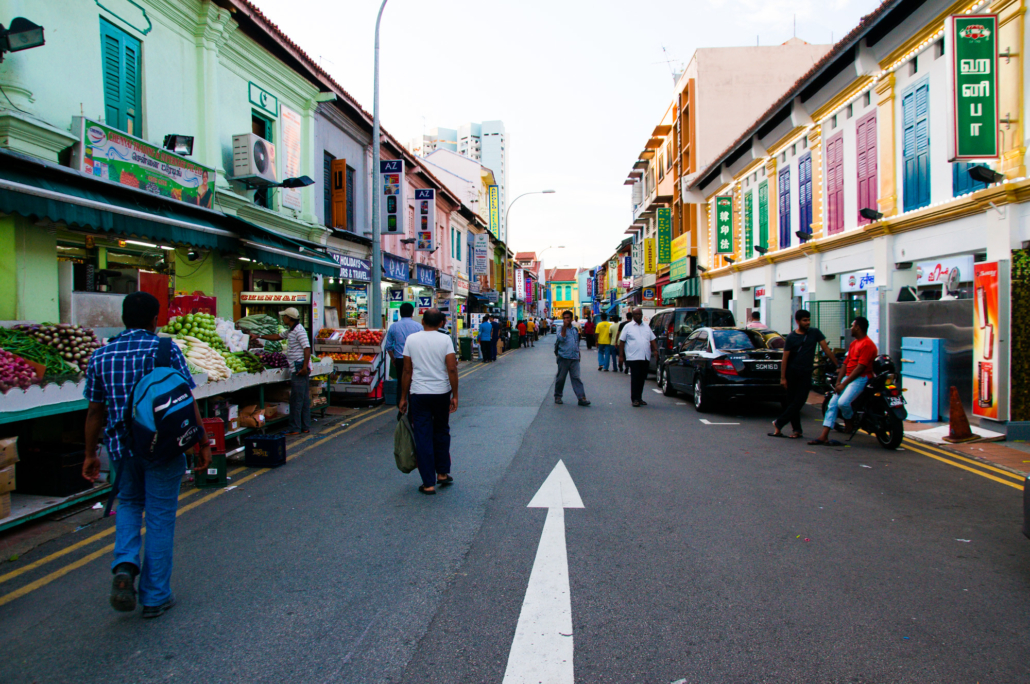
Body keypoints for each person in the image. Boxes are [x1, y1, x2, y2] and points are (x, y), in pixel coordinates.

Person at [82, 291, 212, 619]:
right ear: (156, 320)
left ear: (123, 319)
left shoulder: (102, 355)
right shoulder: (165, 350)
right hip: (164, 449)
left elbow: (94, 412)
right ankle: (155, 596)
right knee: (159, 516)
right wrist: (202, 441)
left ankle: (125, 564)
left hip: (121, 449)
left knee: (128, 505)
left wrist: (90, 454)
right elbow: (185, 400)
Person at [398, 309, 459, 495]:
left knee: (423, 435)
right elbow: (452, 369)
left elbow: (407, 371)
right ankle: (442, 472)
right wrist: (455, 395)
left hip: (419, 394)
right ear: (441, 323)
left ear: (422, 321)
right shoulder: (445, 340)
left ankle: (428, 483)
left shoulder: (412, 340)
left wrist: (403, 397)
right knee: (441, 431)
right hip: (441, 393)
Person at [769, 309, 839, 439]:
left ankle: (779, 423)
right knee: (792, 402)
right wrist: (783, 377)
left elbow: (826, 349)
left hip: (806, 373)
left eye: (808, 320)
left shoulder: (814, 333)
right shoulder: (791, 337)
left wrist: (837, 365)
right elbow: (785, 358)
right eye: (804, 320)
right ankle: (796, 430)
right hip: (792, 373)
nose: (807, 322)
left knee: (799, 401)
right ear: (797, 321)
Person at [809, 317, 877, 446]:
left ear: (858, 327)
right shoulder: (853, 344)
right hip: (849, 378)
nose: (850, 328)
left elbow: (860, 368)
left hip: (861, 378)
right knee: (832, 405)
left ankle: (849, 420)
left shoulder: (867, 344)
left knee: (843, 402)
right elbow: (845, 364)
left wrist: (843, 384)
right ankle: (824, 435)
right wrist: (839, 381)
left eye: (852, 325)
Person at [251, 307, 312, 436]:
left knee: (297, 399)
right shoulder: (291, 330)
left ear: (289, 318)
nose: (283, 318)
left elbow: (307, 348)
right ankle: (305, 426)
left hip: (299, 367)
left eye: (284, 316)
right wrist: (259, 336)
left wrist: (304, 367)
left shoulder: (299, 331)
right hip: (299, 366)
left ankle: (295, 428)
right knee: (303, 398)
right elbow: (277, 336)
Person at [619, 307, 658, 407]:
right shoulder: (628, 327)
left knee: (642, 378)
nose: (638, 316)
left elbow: (652, 339)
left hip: (645, 356)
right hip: (633, 357)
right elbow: (622, 341)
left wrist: (655, 350)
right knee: (635, 378)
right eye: (636, 314)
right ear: (632, 315)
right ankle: (634, 399)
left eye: (640, 314)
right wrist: (621, 356)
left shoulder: (646, 327)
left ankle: (639, 397)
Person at [554, 310, 591, 406]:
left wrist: (578, 354)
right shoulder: (560, 328)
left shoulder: (574, 330)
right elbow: (561, 339)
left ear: (571, 318)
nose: (566, 319)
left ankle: (581, 398)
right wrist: (564, 328)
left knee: (576, 378)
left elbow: (576, 343)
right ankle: (558, 396)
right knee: (561, 378)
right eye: (564, 318)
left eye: (568, 318)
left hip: (574, 358)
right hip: (563, 357)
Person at [384, 303, 423, 379]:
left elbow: (388, 346)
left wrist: (392, 358)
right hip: (415, 359)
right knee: (414, 381)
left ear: (400, 313)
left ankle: (401, 391)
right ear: (412, 313)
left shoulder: (393, 326)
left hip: (399, 359)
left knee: (401, 381)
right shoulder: (419, 326)